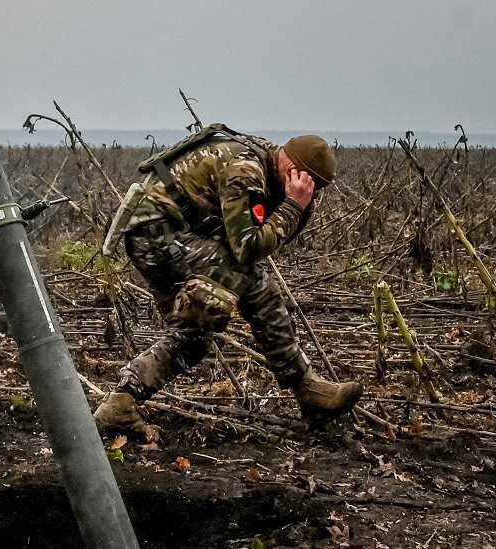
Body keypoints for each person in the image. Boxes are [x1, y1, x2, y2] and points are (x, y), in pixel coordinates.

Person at [94, 124, 362, 432]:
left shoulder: (266, 161)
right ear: (293, 168)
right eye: (310, 184)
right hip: (158, 237)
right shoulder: (246, 171)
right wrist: (292, 206)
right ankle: (307, 389)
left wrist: (300, 208)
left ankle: (120, 404)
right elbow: (247, 248)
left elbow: (264, 238)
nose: (311, 192)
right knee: (258, 285)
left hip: (164, 237)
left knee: (193, 338)